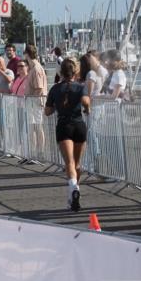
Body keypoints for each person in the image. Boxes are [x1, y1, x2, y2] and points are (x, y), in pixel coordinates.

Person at [44, 58, 90, 211]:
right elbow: (85, 101)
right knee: (77, 164)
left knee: (69, 163)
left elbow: (47, 111)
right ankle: (75, 192)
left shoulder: (55, 89)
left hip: (64, 126)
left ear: (61, 72)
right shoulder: (80, 87)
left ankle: (74, 188)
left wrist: (57, 106)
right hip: (79, 125)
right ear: (75, 71)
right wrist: (87, 109)